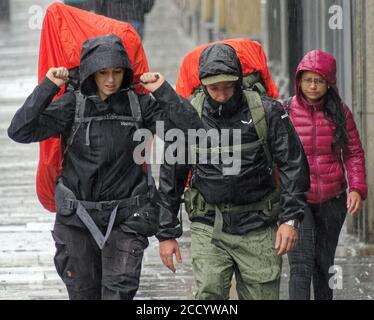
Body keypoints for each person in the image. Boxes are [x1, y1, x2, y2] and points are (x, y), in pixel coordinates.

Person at [7, 34, 202, 300]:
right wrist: (48, 87)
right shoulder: (72, 106)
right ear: (91, 73)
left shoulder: (139, 106)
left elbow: (193, 132)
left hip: (126, 219)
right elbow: (19, 130)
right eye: (103, 73)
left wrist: (163, 90)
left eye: (117, 72)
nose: (111, 80)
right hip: (77, 219)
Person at [156, 43, 310, 300]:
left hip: (259, 226)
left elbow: (294, 165)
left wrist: (290, 220)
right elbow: (171, 177)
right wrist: (166, 234)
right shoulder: (187, 115)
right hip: (209, 225)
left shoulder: (267, 111)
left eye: (228, 86)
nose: (222, 94)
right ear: (203, 84)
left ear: (239, 80)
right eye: (214, 88)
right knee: (209, 296)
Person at [284, 50, 367, 300]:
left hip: (332, 200)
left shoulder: (340, 112)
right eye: (307, 80)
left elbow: (353, 153)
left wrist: (357, 188)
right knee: (301, 266)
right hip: (298, 201)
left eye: (319, 81)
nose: (312, 86)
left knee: (324, 264)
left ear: (329, 84)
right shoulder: (285, 110)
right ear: (298, 80)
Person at [91, 0, 155, 38]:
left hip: (112, 20)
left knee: (113, 55)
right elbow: (147, 6)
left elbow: (99, 4)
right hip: (135, 19)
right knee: (133, 56)